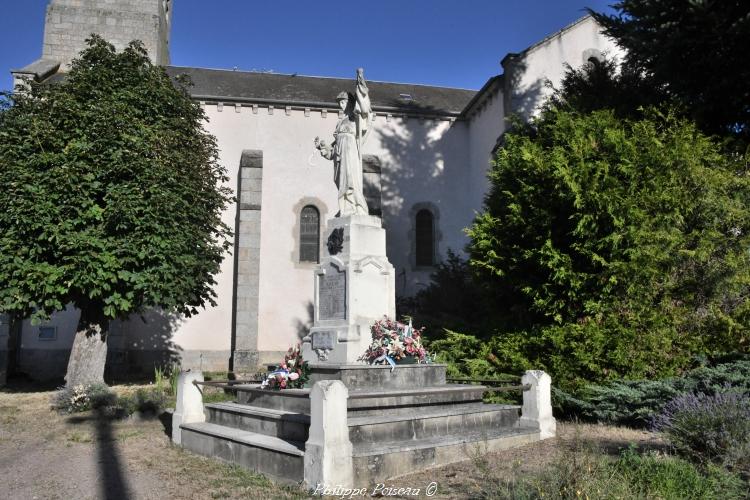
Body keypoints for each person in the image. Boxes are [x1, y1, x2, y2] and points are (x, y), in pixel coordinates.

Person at [314, 68, 372, 217]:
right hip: (340, 156)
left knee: (351, 180)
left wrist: (360, 83)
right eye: (339, 103)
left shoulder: (355, 118)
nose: (340, 105)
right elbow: (332, 151)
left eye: (343, 102)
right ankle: (346, 207)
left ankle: (353, 207)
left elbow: (365, 111)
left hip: (350, 152)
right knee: (341, 181)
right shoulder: (340, 123)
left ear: (350, 102)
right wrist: (323, 147)